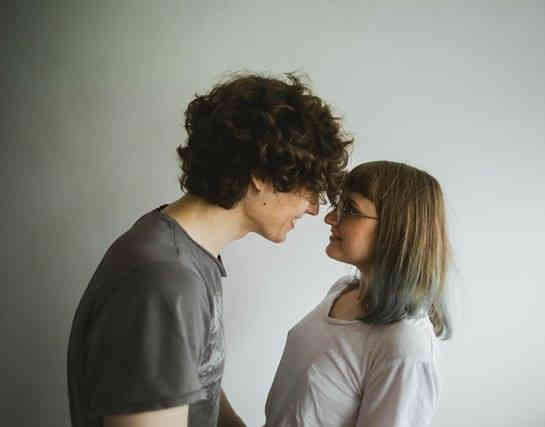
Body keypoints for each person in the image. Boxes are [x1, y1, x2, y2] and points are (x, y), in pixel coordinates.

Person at [67, 73, 353, 427]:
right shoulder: (163, 280)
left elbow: (196, 378)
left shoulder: (183, 254)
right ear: (261, 175)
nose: (312, 209)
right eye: (309, 189)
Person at [264, 160, 451, 427]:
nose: (330, 218)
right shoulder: (342, 290)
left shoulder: (406, 345)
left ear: (397, 228)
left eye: (350, 209)